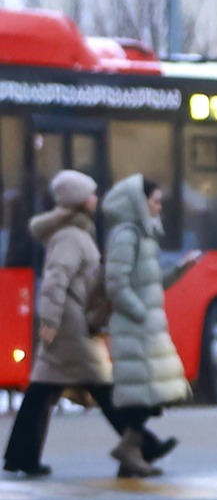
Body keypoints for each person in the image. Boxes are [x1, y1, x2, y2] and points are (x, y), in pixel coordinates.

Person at [2, 170, 171, 478]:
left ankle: (21, 455)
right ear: (79, 202)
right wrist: (50, 321)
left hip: (70, 322)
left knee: (43, 390)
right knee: (103, 385)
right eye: (91, 194)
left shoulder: (76, 233)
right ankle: (142, 444)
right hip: (70, 325)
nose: (96, 198)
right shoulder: (70, 237)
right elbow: (54, 281)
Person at [101, 175, 192, 455]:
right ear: (140, 202)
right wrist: (140, 313)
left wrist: (178, 271)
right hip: (134, 329)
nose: (159, 207)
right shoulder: (127, 235)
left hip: (145, 329)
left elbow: (149, 283)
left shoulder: (143, 235)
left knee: (152, 392)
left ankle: (133, 453)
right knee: (144, 395)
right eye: (155, 201)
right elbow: (116, 283)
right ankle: (131, 450)